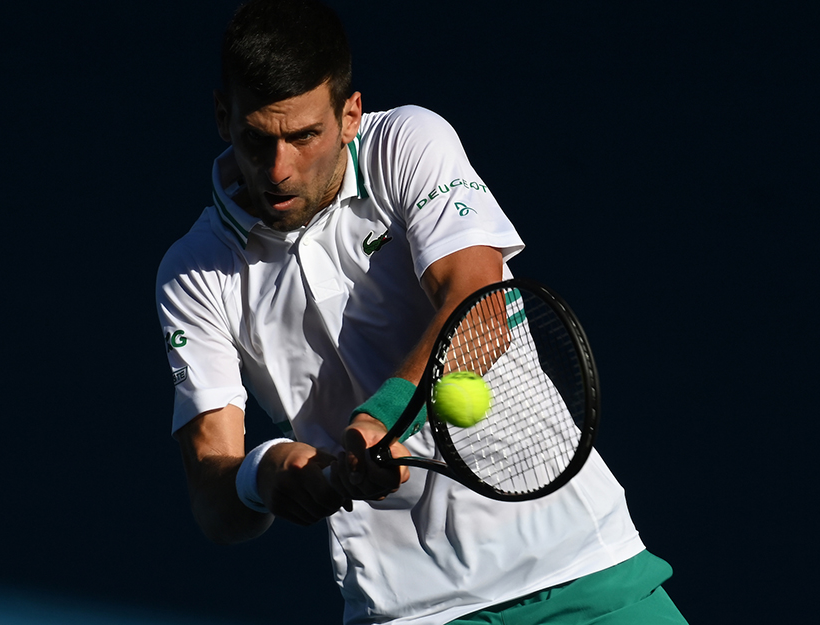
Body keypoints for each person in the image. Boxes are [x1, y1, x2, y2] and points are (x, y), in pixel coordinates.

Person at [156, 1, 689, 623]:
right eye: (258, 139)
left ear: (350, 115)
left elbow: (479, 304)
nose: (280, 170)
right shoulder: (191, 270)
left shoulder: (408, 143)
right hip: (410, 610)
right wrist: (267, 471)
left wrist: (382, 418)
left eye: (305, 137)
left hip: (577, 564)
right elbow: (215, 501)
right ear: (223, 116)